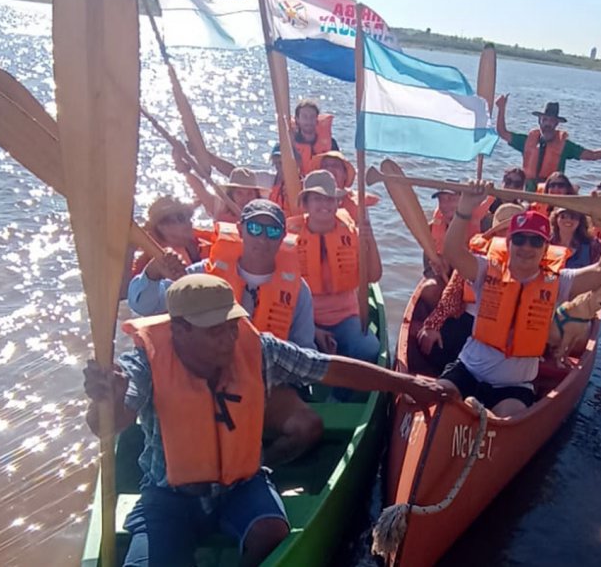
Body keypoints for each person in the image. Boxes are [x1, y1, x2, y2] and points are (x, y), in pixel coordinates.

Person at [83, 273, 450, 567]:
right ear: (179, 330)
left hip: (241, 483)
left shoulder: (255, 346)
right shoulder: (144, 363)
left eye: (230, 324)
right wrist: (108, 398)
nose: (228, 338)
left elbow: (327, 369)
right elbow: (111, 421)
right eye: (214, 330)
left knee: (272, 529)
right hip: (169, 495)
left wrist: (405, 382)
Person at [128, 200, 321, 465]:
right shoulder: (200, 274)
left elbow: (306, 351)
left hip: (266, 384)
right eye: (255, 228)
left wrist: (269, 366)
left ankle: (255, 465)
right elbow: (143, 305)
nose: (263, 238)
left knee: (307, 427)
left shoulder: (299, 290)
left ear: (281, 238)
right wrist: (152, 272)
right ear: (241, 230)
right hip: (203, 381)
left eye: (273, 231)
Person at [440, 182, 601, 417]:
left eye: (536, 241)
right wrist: (465, 208)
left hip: (512, 387)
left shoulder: (558, 281)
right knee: (439, 397)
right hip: (468, 370)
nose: (527, 247)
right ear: (508, 242)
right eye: (520, 239)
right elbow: (453, 251)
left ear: (546, 248)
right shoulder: (486, 269)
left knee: (509, 417)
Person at [286, 171, 382, 365]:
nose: (325, 205)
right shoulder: (289, 240)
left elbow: (374, 276)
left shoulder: (354, 233)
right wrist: (313, 330)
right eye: (317, 199)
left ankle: (343, 393)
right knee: (291, 354)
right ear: (305, 204)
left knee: (368, 348)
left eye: (329, 199)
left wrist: (369, 238)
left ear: (337, 203)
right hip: (306, 319)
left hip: (346, 318)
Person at [417, 203, 525, 372]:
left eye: (517, 236)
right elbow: (452, 292)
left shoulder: (533, 266)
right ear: (496, 233)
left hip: (509, 331)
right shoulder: (477, 258)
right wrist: (433, 325)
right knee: (434, 351)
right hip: (470, 320)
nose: (510, 239)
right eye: (505, 232)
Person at [495, 95, 601, 192]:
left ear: (556, 123)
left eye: (551, 121)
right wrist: (501, 108)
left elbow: (592, 155)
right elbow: (502, 133)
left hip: (553, 191)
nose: (548, 124)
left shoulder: (565, 146)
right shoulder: (527, 140)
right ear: (539, 121)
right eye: (545, 120)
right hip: (528, 192)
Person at [132, 196, 207, 277]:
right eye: (181, 217)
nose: (189, 222)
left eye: (189, 215)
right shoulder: (145, 266)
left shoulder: (199, 244)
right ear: (161, 226)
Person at [307, 150, 380, 219]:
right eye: (325, 166)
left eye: (335, 165)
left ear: (345, 174)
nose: (329, 168)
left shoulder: (358, 203)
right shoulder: (308, 199)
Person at [292, 99, 339, 175]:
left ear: (317, 119)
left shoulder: (331, 144)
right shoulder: (289, 143)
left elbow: (338, 169)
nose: (309, 120)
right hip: (296, 183)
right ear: (297, 119)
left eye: (312, 117)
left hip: (322, 183)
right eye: (304, 117)